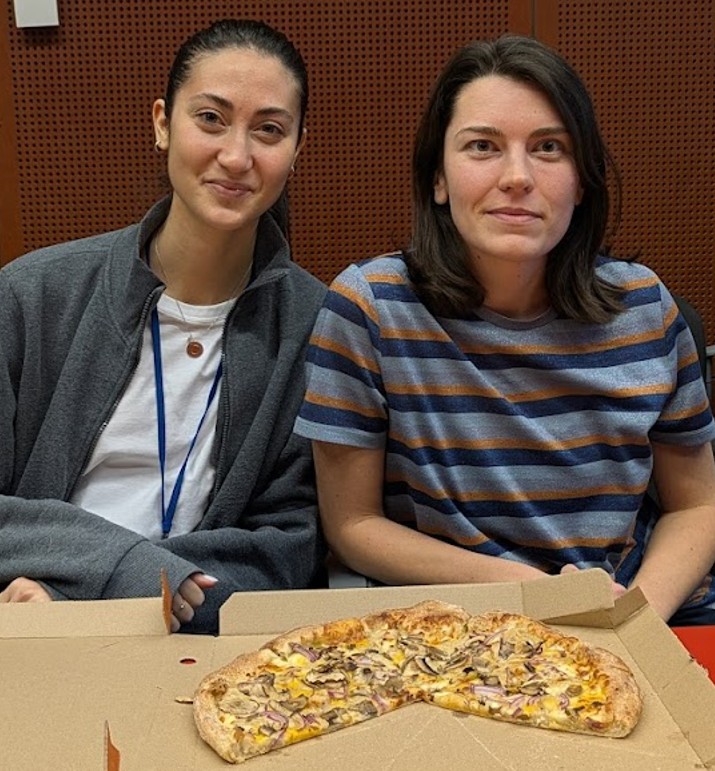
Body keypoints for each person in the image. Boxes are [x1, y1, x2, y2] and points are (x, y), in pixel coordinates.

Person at [294, 34, 715, 624]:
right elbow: (352, 526)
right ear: (438, 178)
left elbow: (697, 507)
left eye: (548, 148)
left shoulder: (646, 307)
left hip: (648, 612)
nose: (517, 176)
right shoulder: (371, 309)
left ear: (582, 180)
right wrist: (529, 593)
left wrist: (634, 614)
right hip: (465, 621)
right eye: (482, 146)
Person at [0, 19, 327, 634]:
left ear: (296, 149)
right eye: (210, 118)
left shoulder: (314, 326)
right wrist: (115, 569)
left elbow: (288, 547)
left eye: (269, 130)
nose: (237, 156)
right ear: (162, 123)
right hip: (28, 618)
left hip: (200, 633)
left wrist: (99, 593)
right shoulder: (30, 296)